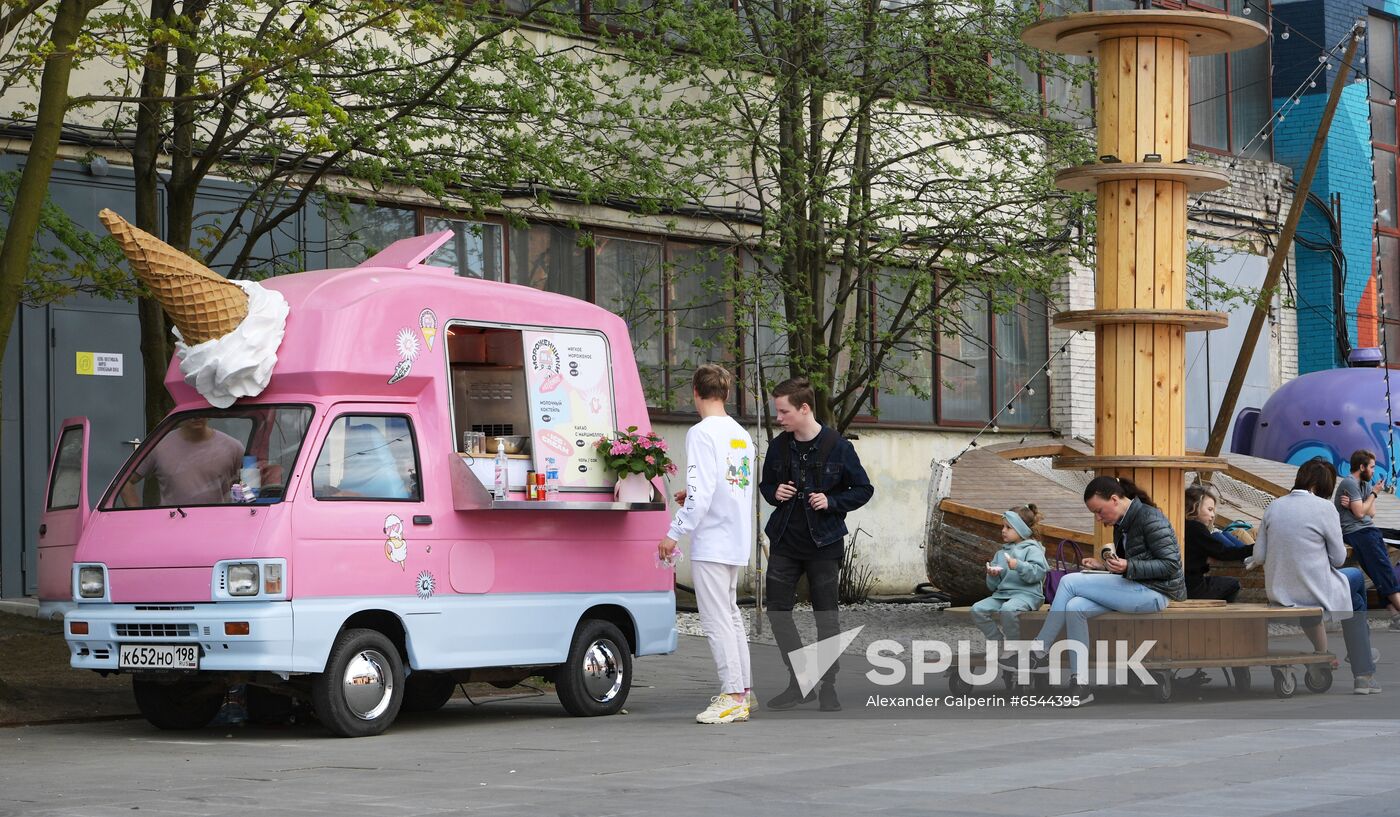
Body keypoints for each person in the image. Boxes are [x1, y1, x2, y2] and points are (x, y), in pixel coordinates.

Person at [759, 377, 874, 712]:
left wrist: (832, 501)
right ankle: (799, 682)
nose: (779, 418)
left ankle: (829, 685)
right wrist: (774, 493)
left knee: (827, 618)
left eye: (784, 411)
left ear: (804, 408)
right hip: (784, 540)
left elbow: (863, 489)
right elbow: (767, 484)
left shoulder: (838, 446)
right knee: (778, 612)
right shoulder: (780, 446)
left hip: (824, 544)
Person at [1027, 476, 1185, 705]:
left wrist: (1129, 565)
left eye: (1099, 511)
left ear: (1114, 499)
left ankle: (1039, 652)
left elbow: (1171, 566)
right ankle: (1080, 684)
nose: (1099, 519)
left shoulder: (1150, 518)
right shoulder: (1124, 522)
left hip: (1155, 593)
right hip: (1136, 588)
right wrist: (1105, 566)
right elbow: (1132, 564)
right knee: (1075, 607)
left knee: (1069, 582)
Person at [658, 364, 756, 725]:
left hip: (712, 539)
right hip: (734, 535)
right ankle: (743, 689)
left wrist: (673, 532)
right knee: (731, 616)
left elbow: (702, 493)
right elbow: (730, 486)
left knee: (716, 620)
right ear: (726, 394)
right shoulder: (740, 435)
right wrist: (695, 496)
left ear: (695, 392)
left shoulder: (701, 433)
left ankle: (732, 695)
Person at [1249, 458, 1380, 694]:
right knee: (1357, 581)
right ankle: (1363, 669)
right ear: (1322, 487)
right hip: (1316, 590)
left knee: (1355, 600)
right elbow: (1339, 559)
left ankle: (1358, 656)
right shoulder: (1325, 508)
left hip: (1281, 592)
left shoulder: (1274, 506)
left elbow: (1258, 555)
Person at [970, 505, 1049, 656]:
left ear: (1022, 530)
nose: (1003, 530)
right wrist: (992, 575)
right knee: (977, 610)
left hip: (1027, 595)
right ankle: (998, 642)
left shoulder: (1032, 549)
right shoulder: (1001, 553)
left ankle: (1013, 646)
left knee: (1008, 610)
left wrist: (1018, 565)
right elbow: (993, 587)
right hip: (1003, 595)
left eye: (1008, 527)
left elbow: (1037, 574)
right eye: (1003, 526)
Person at [120, 416, 243, 506]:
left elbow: (253, 486)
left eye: (200, 410)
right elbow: (124, 481)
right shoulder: (159, 446)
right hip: (172, 525)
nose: (196, 417)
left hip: (220, 526)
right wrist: (138, 518)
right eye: (193, 413)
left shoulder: (233, 447)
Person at [1333, 449, 1400, 615]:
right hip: (1356, 531)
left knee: (1380, 568)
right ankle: (1396, 608)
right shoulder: (1349, 483)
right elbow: (1361, 513)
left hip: (1368, 529)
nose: (1374, 470)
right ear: (1362, 467)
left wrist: (1364, 500)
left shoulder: (1365, 484)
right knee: (1382, 568)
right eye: (1372, 467)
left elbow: (1371, 513)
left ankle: (1392, 610)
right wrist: (1373, 495)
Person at [1183, 484, 1252, 602]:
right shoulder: (1196, 528)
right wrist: (1253, 548)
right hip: (1192, 588)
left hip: (1180, 585)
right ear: (1195, 507)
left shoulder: (1182, 525)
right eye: (1210, 509)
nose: (1213, 515)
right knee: (1233, 584)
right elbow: (1223, 553)